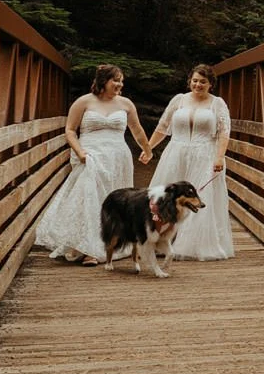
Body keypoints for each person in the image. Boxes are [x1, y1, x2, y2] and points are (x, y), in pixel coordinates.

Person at [34, 64, 148, 264]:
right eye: (116, 80)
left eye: (122, 80)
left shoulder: (126, 104)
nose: (120, 84)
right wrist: (80, 152)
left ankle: (112, 243)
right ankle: (89, 249)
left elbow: (137, 130)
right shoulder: (83, 102)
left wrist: (147, 149)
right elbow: (70, 130)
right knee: (90, 199)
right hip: (90, 155)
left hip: (118, 158)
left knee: (115, 201)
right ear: (103, 81)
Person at [146, 65, 233, 260]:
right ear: (189, 81)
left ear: (210, 84)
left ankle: (191, 244)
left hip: (205, 155)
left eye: (203, 81)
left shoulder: (217, 104)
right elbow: (163, 127)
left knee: (199, 197)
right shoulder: (179, 100)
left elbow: (223, 133)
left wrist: (219, 157)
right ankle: (159, 240)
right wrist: (149, 147)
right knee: (166, 196)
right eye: (195, 80)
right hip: (176, 153)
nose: (198, 84)